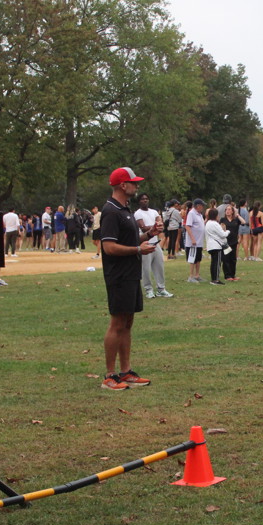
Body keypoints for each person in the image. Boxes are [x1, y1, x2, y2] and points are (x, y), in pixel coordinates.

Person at [99, 167, 158, 391]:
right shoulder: (111, 211)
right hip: (118, 275)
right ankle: (109, 376)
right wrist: (138, 249)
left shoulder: (125, 210)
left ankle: (126, 371)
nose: (137, 185)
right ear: (123, 185)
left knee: (127, 323)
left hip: (131, 274)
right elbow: (109, 247)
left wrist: (150, 234)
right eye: (133, 182)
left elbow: (131, 240)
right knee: (117, 323)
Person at [134, 193, 172, 298]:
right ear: (139, 201)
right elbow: (143, 228)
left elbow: (160, 223)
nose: (145, 200)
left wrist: (157, 225)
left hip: (156, 243)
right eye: (142, 199)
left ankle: (161, 289)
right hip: (145, 243)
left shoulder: (154, 212)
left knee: (159, 267)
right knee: (146, 268)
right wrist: (155, 227)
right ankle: (148, 290)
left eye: (146, 199)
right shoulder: (138, 213)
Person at [205, 208, 229, 285]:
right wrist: (227, 231)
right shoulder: (215, 224)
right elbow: (223, 234)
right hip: (216, 245)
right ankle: (215, 279)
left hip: (210, 245)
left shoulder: (208, 223)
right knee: (217, 263)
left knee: (213, 263)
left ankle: (213, 278)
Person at [184, 198, 206, 282]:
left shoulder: (199, 214)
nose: (203, 207)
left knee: (198, 259)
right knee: (192, 259)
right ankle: (191, 276)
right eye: (202, 205)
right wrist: (192, 238)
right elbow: (187, 226)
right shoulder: (191, 213)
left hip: (199, 242)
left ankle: (197, 275)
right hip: (193, 242)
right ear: (198, 206)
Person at [222, 203, 244, 281]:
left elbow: (243, 222)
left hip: (234, 242)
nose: (227, 211)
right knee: (226, 259)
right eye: (226, 210)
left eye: (229, 209)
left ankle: (233, 275)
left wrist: (238, 215)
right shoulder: (223, 220)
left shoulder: (236, 220)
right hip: (226, 242)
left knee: (233, 259)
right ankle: (227, 276)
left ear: (232, 211)